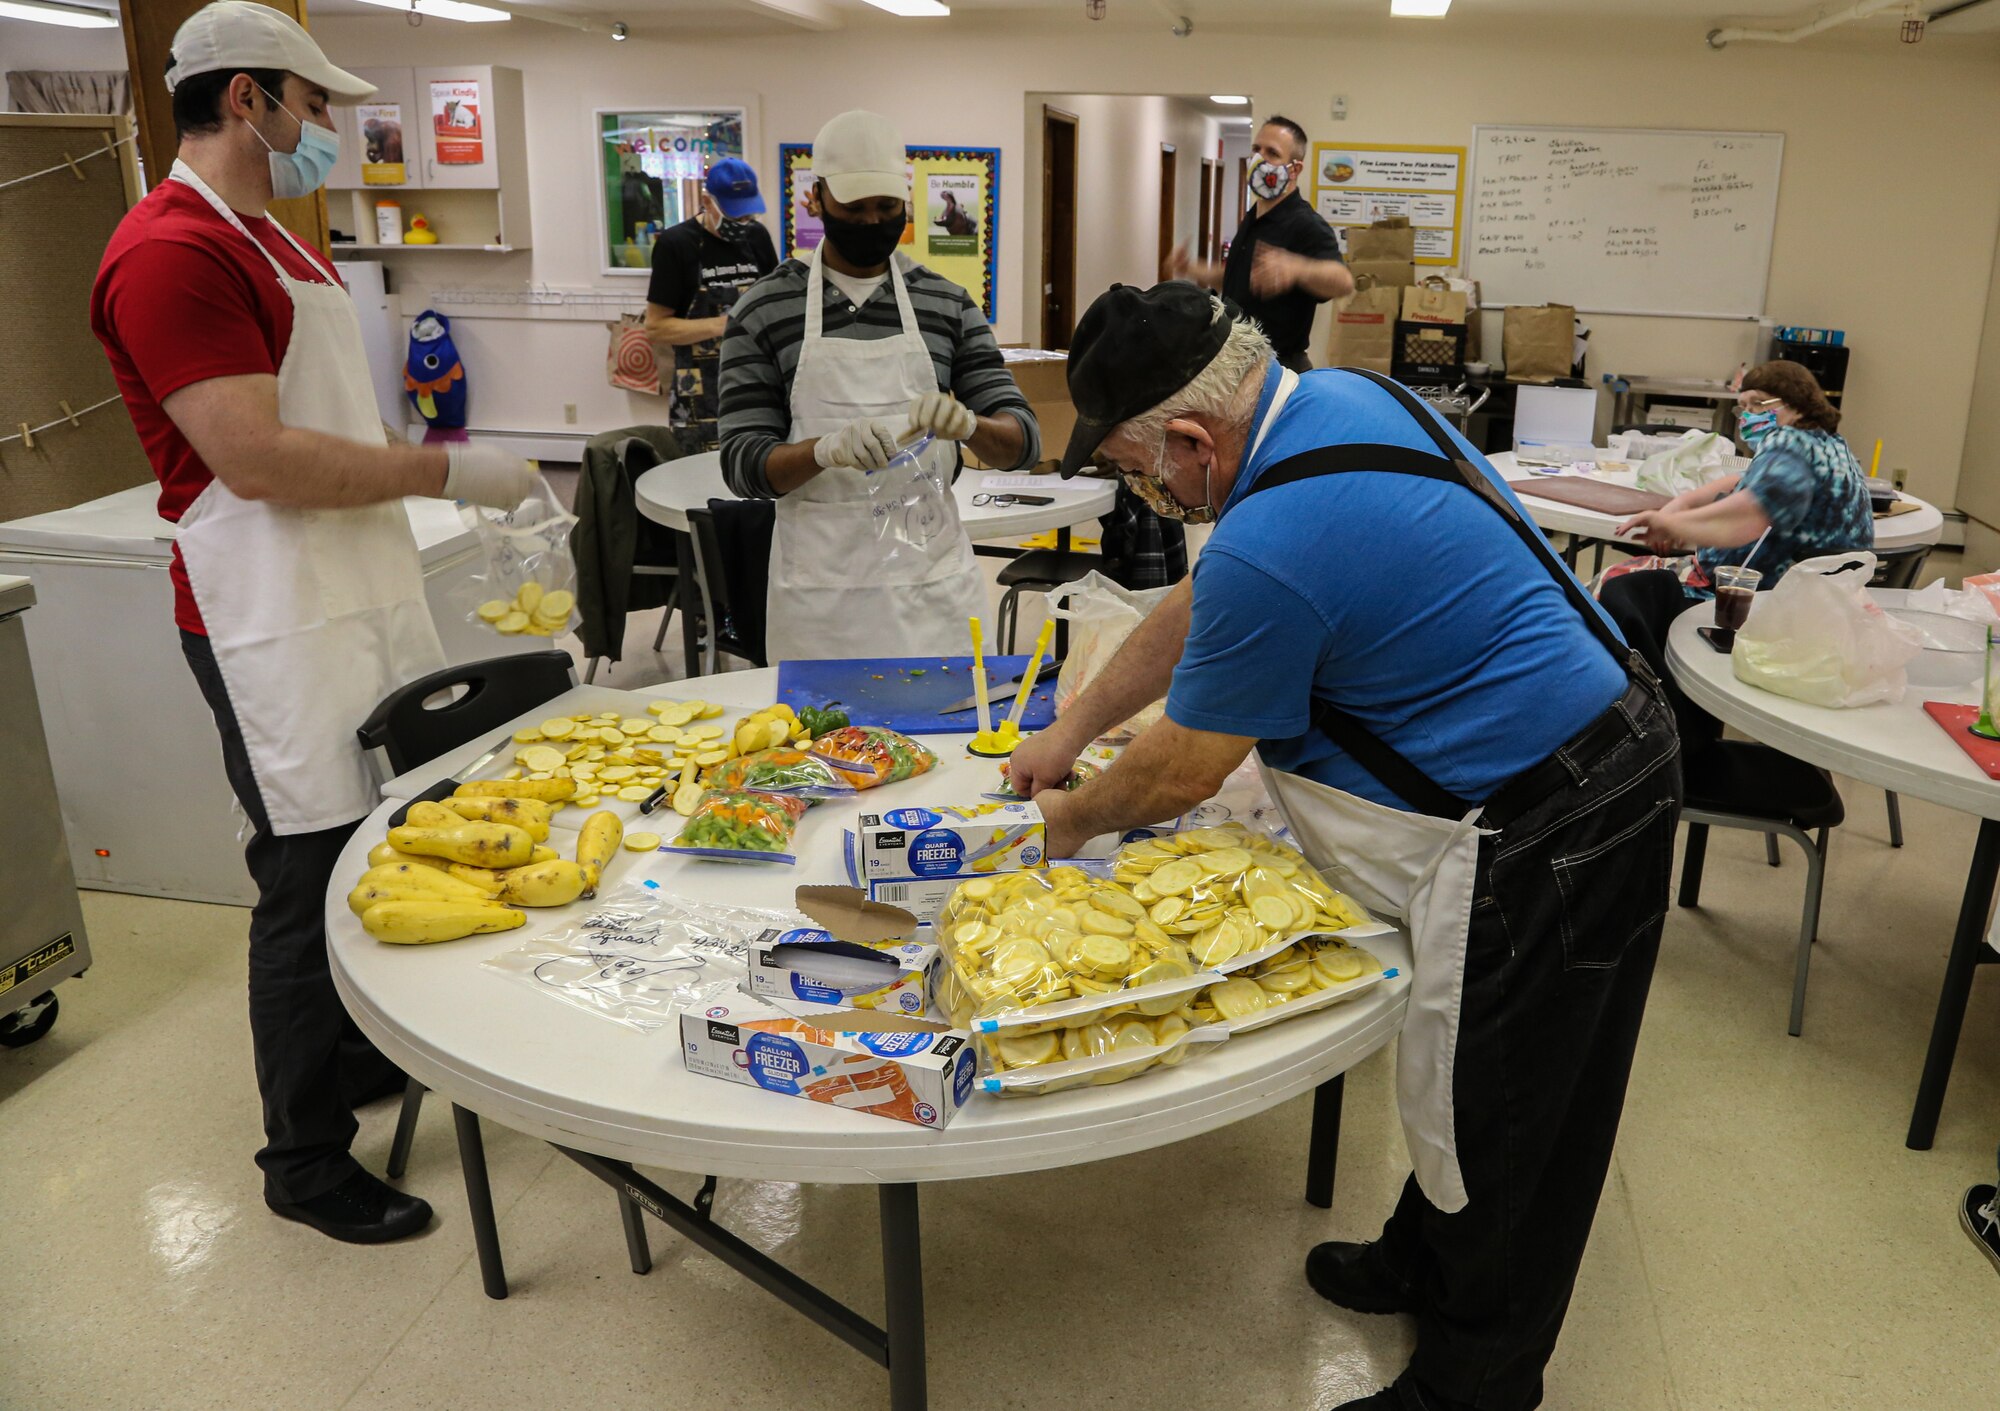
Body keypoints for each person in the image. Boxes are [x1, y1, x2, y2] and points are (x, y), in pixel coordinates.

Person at [1012, 282, 1682, 1411]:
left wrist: (1067, 819)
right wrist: (1066, 732)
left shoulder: (1275, 531)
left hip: (1560, 805)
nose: (1150, 490)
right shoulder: (1331, 402)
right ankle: (1418, 1256)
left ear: (1191, 438)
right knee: (1473, 1076)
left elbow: (1187, 764)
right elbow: (1196, 601)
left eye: (1141, 468)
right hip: (1580, 750)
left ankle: (1476, 1382)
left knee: (1512, 1111)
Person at [90, 2, 538, 1245]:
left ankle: (350, 1057)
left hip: (350, 587)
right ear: (249, 99)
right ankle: (302, 1156)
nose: (325, 128)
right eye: (314, 103)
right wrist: (447, 473)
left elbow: (330, 422)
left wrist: (432, 472)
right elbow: (254, 458)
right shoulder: (170, 252)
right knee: (298, 870)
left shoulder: (277, 243)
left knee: (372, 835)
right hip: (267, 614)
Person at [717, 109, 1040, 662]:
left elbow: (1023, 442)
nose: (871, 222)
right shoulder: (764, 310)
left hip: (932, 593)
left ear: (906, 203)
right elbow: (742, 464)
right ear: (816, 198)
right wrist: (823, 450)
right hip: (821, 601)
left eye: (886, 208)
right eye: (854, 208)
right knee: (818, 747)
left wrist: (971, 427)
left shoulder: (947, 305)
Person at [1601, 360, 1873, 755]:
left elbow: (1747, 517)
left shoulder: (1791, 446)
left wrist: (1671, 526)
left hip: (1763, 604)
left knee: (1615, 587)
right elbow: (1739, 483)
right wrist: (1678, 507)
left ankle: (1656, 730)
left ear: (1794, 403)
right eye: (1744, 407)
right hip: (1821, 610)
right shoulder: (1828, 445)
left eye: (1759, 405)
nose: (1749, 417)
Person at [1168, 115, 1351, 373]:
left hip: (1278, 368)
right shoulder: (1254, 216)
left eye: (1272, 153)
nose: (1259, 158)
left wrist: (1296, 269)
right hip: (1237, 360)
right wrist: (1197, 270)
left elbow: (1343, 281)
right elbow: (1242, 280)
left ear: (1294, 169)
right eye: (1257, 149)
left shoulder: (1306, 223)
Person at [643, 157, 780, 453]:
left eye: (748, 215)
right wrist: (724, 325)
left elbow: (772, 304)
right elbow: (655, 327)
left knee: (755, 470)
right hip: (698, 394)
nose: (742, 224)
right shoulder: (676, 244)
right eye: (734, 215)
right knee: (698, 481)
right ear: (707, 201)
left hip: (754, 384)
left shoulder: (757, 237)